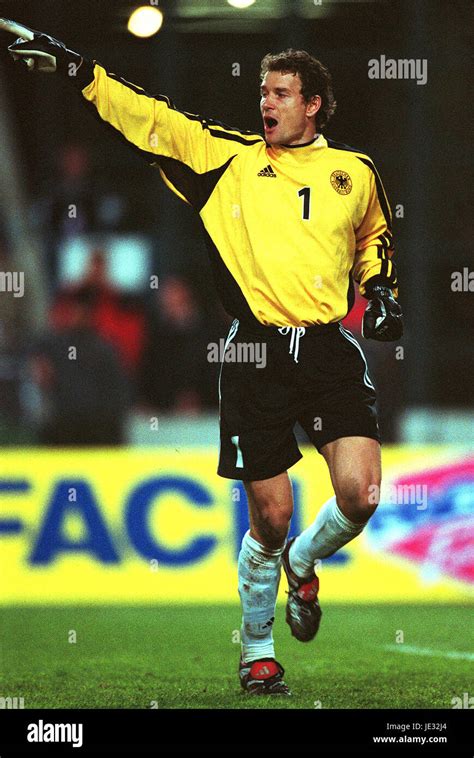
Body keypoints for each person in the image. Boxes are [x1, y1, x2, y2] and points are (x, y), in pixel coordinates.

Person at [2, 22, 403, 696]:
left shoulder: (353, 173)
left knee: (361, 495)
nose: (266, 103)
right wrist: (80, 71)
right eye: (262, 92)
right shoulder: (229, 159)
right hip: (256, 350)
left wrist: (383, 289)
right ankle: (256, 650)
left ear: (314, 105)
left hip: (330, 347)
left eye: (281, 93)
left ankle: (303, 563)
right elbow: (150, 119)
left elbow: (374, 236)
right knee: (269, 516)